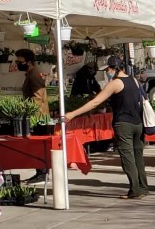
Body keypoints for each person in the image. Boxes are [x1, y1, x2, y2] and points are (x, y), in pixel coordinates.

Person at [62, 56, 148, 199]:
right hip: (138, 123)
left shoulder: (115, 83)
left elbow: (95, 102)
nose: (107, 72)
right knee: (138, 156)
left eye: (107, 69)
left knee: (128, 158)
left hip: (124, 124)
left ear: (112, 68)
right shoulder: (133, 80)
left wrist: (73, 114)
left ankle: (135, 190)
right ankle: (143, 187)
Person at [15, 49, 51, 181]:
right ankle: (40, 171)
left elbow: (38, 98)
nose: (17, 63)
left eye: (20, 61)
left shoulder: (34, 75)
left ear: (28, 62)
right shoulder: (31, 74)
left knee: (38, 145)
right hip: (38, 116)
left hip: (38, 117)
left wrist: (28, 111)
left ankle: (42, 172)